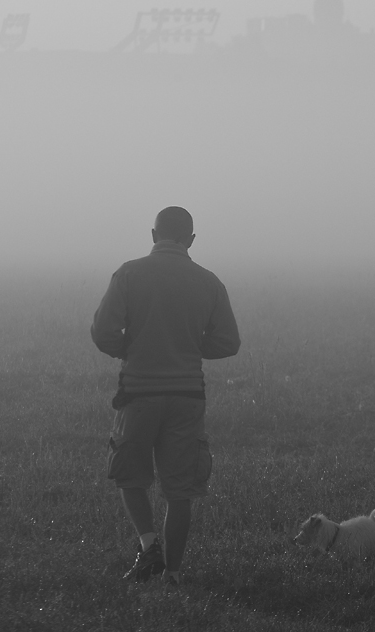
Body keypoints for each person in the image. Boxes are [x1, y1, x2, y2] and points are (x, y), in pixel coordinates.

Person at [91, 206, 240, 590]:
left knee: (130, 475)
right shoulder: (209, 282)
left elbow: (102, 331)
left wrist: (132, 347)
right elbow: (228, 342)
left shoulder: (128, 273)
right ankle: (173, 575)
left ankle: (148, 544)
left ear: (154, 235)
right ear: (191, 240)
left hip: (138, 392)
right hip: (187, 395)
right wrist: (190, 345)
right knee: (180, 490)